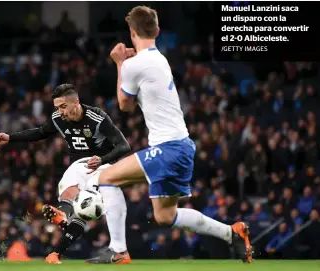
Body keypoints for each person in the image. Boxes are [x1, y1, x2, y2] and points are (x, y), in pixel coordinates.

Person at [86, 6, 253, 264]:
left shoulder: (134, 65)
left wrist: (120, 63)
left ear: (132, 32)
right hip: (183, 146)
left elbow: (124, 105)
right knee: (165, 216)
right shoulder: (159, 58)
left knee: (107, 178)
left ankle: (118, 250)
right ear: (158, 31)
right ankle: (231, 233)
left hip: (168, 148)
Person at [0, 83, 133, 264]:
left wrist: (102, 160)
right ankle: (56, 250)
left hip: (104, 166)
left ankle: (108, 244)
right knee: (70, 198)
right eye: (57, 107)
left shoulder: (97, 118)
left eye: (63, 106)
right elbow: (40, 132)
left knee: (85, 204)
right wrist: (10, 137)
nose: (60, 111)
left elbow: (124, 146)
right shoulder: (58, 118)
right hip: (78, 166)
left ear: (76, 103)